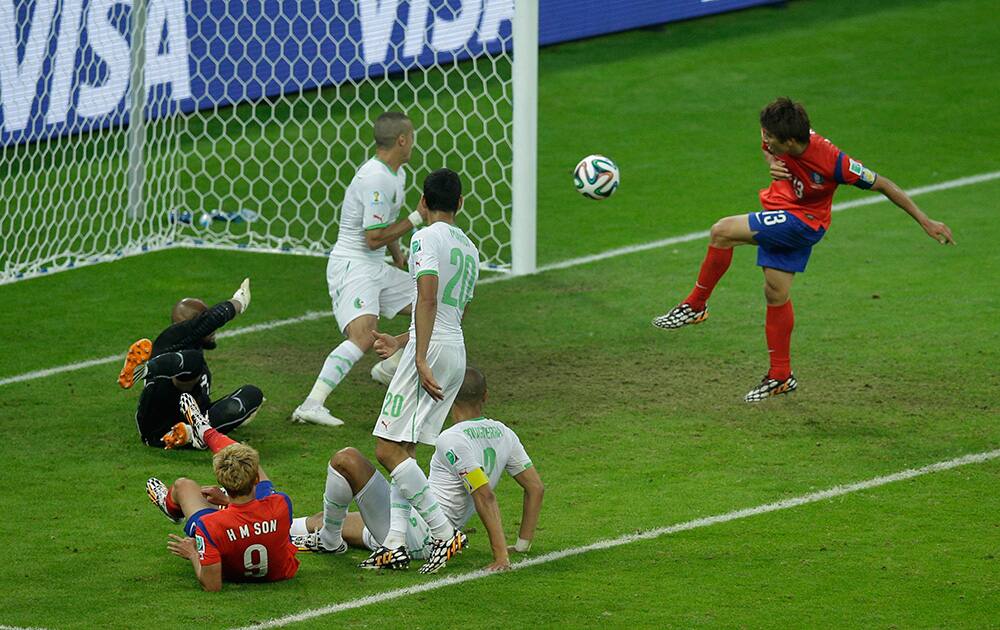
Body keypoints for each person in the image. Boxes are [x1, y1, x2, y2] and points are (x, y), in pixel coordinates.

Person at [652, 97, 955, 402]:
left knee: (722, 232)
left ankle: (696, 305)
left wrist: (925, 221)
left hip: (804, 223)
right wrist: (773, 162)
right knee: (775, 292)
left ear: (792, 140)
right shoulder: (776, 133)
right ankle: (781, 376)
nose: (765, 139)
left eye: (771, 138)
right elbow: (767, 143)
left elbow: (884, 185)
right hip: (783, 208)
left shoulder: (835, 161)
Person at [350, 167, 481, 573]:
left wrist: (419, 356)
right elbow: (451, 313)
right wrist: (404, 343)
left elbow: (426, 299)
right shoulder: (472, 250)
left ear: (423, 204)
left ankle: (443, 533)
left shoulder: (424, 237)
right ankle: (394, 543)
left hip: (433, 349)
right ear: (460, 203)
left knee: (386, 448)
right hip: (454, 348)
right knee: (404, 448)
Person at [291, 366, 545, 574]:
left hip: (420, 533)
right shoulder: (505, 433)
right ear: (485, 396)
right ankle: (286, 529)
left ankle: (316, 537)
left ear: (448, 394)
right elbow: (535, 488)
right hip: (416, 522)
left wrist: (501, 556)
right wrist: (522, 545)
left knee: (346, 460)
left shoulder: (452, 439)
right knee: (322, 520)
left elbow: (484, 495)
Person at [291, 111, 426, 427]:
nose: (413, 144)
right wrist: (417, 218)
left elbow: (384, 224)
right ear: (403, 140)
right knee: (362, 335)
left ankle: (390, 366)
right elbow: (373, 236)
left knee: (437, 304)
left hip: (376, 265)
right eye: (413, 137)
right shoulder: (375, 178)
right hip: (353, 267)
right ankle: (311, 404)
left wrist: (399, 255)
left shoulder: (396, 175)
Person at [146, 394, 299, 591]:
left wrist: (192, 553)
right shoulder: (281, 504)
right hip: (280, 574)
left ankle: (171, 509)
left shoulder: (208, 525)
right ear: (256, 480)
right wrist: (226, 501)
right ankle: (206, 432)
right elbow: (253, 522)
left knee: (183, 486)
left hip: (228, 560)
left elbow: (212, 585)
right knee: (245, 459)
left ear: (221, 482)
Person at [118, 278, 263, 448]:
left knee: (252, 394)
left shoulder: (190, 347)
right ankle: (144, 370)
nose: (212, 330)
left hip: (190, 420)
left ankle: (190, 435)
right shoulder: (168, 341)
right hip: (157, 428)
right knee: (194, 361)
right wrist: (240, 301)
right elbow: (211, 319)